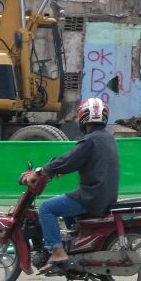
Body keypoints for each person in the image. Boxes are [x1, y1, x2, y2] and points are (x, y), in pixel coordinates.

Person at [27, 97, 120, 272]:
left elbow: (69, 159)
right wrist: (60, 170)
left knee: (47, 208)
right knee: (68, 210)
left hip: (92, 197)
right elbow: (82, 161)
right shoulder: (107, 139)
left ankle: (57, 251)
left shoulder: (90, 140)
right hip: (104, 195)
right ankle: (77, 250)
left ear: (83, 117)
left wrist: (42, 171)